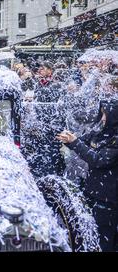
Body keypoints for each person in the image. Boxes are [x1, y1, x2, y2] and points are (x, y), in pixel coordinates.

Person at [57, 100, 118, 251]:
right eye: (102, 113)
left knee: (105, 237)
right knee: (93, 232)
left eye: (106, 114)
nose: (103, 118)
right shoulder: (103, 131)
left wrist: (75, 142)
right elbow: (83, 140)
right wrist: (68, 138)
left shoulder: (115, 139)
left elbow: (98, 160)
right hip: (95, 191)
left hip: (108, 198)